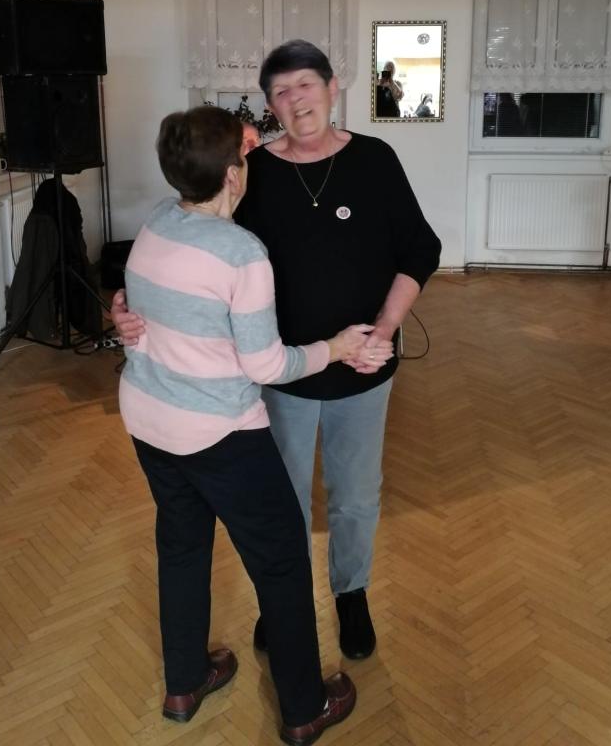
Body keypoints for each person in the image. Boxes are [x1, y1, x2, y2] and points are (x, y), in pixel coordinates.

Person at [114, 40, 441, 662]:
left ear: (332, 88)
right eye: (281, 92)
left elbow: (419, 250)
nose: (296, 100)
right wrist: (130, 307)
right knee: (282, 498)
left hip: (362, 364)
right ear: (270, 107)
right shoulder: (251, 171)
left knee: (355, 495)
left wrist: (384, 330)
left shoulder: (375, 160)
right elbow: (190, 251)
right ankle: (281, 603)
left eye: (305, 85)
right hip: (278, 374)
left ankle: (351, 594)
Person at [119, 106, 392, 742]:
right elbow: (267, 365)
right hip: (220, 435)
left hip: (149, 422)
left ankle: (185, 681)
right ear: (233, 176)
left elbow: (149, 304)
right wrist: (335, 348)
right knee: (282, 563)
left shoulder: (157, 221)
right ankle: (304, 709)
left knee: (181, 547)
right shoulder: (242, 254)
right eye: (243, 155)